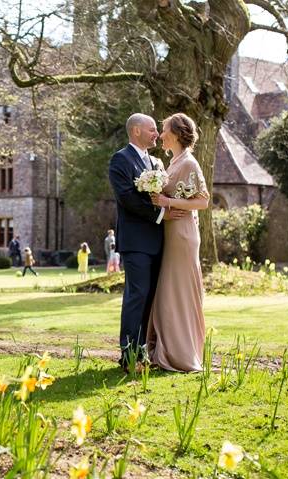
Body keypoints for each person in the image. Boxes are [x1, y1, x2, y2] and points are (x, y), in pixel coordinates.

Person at [108, 113, 188, 373]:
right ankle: (128, 354)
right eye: (152, 129)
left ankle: (143, 351)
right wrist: (162, 214)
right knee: (137, 295)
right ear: (136, 132)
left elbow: (163, 193)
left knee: (150, 297)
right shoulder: (120, 160)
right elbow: (128, 199)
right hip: (135, 242)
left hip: (157, 241)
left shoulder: (156, 162)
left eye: (157, 130)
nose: (157, 134)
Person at [146, 113, 209, 372]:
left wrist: (167, 201)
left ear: (177, 134)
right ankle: (166, 346)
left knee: (178, 291)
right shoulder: (173, 163)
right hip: (171, 233)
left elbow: (203, 201)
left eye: (164, 130)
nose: (160, 135)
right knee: (168, 292)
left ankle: (181, 354)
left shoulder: (189, 163)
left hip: (182, 235)